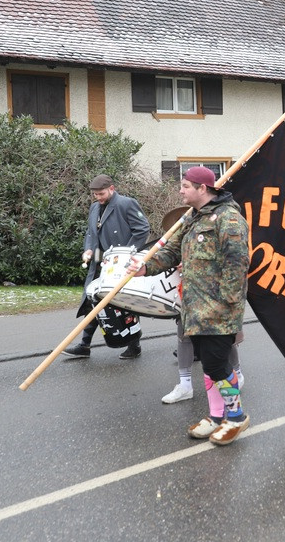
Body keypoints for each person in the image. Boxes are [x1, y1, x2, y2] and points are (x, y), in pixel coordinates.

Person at [132, 166, 251, 445]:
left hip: (219, 309)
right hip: (194, 307)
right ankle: (216, 416)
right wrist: (144, 268)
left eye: (185, 186)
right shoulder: (192, 219)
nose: (181, 190)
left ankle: (236, 417)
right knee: (209, 367)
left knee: (218, 365)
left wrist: (228, 304)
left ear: (203, 189)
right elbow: (172, 251)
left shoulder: (229, 218)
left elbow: (238, 263)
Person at [64, 174, 150, 359]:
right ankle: (84, 345)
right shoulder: (94, 207)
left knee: (124, 305)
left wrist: (125, 255)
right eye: (95, 194)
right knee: (92, 301)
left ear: (112, 188)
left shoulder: (127, 203)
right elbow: (90, 232)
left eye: (101, 193)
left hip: (121, 264)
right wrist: (88, 250)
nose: (98, 197)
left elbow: (143, 229)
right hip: (98, 265)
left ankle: (134, 346)